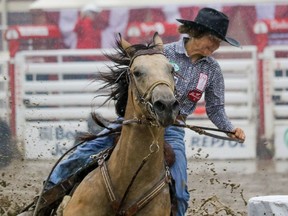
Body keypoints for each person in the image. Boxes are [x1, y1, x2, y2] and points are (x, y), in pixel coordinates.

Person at [45, 7, 246, 216]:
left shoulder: (212, 69)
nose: (215, 46)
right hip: (135, 121)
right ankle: (43, 200)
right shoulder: (162, 54)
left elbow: (215, 109)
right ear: (196, 33)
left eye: (218, 42)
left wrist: (229, 128)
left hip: (173, 128)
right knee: (82, 154)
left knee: (180, 190)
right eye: (212, 39)